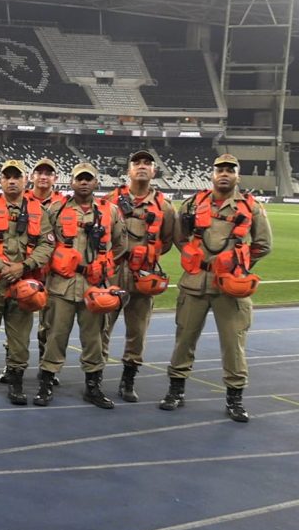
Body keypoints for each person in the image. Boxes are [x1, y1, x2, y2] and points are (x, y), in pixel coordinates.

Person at [162, 154, 272, 422]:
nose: (224, 174)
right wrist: (193, 258)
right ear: (212, 174)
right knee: (184, 339)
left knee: (234, 343)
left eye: (230, 170)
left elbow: (263, 244)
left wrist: (239, 264)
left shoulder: (251, 207)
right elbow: (178, 237)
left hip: (231, 288)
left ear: (238, 175)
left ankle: (234, 399)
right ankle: (176, 390)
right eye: (220, 169)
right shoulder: (191, 204)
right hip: (195, 284)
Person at [34, 162, 125, 409]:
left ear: (96, 183)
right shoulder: (55, 209)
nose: (84, 183)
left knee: (94, 338)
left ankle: (93, 386)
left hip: (94, 287)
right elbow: (44, 241)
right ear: (71, 182)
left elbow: (120, 245)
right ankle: (47, 381)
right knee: (55, 335)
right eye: (79, 179)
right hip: (61, 286)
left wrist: (104, 267)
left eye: (89, 179)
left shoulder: (111, 211)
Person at [0, 160, 54, 404]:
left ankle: (16, 382)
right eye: (7, 177)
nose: (12, 181)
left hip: (24, 285)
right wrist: (3, 267)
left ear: (25, 180)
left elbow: (48, 244)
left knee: (19, 338)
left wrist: (23, 267)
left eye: (17, 177)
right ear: (1, 181)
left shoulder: (39, 211)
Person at [102, 150, 176, 402]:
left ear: (154, 171)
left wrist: (147, 256)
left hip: (143, 277)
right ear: (128, 170)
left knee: (138, 332)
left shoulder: (164, 206)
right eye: (137, 163)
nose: (142, 167)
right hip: (112, 275)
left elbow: (167, 241)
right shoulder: (110, 200)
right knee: (102, 328)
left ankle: (128, 378)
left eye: (147, 163)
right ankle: (95, 376)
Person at [0, 158, 65, 386]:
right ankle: (12, 364)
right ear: (31, 177)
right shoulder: (21, 202)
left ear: (56, 177)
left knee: (50, 324)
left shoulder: (62, 204)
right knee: (18, 321)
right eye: (40, 172)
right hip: (23, 272)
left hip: (52, 272)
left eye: (49, 173)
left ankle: (47, 369)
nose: (44, 177)